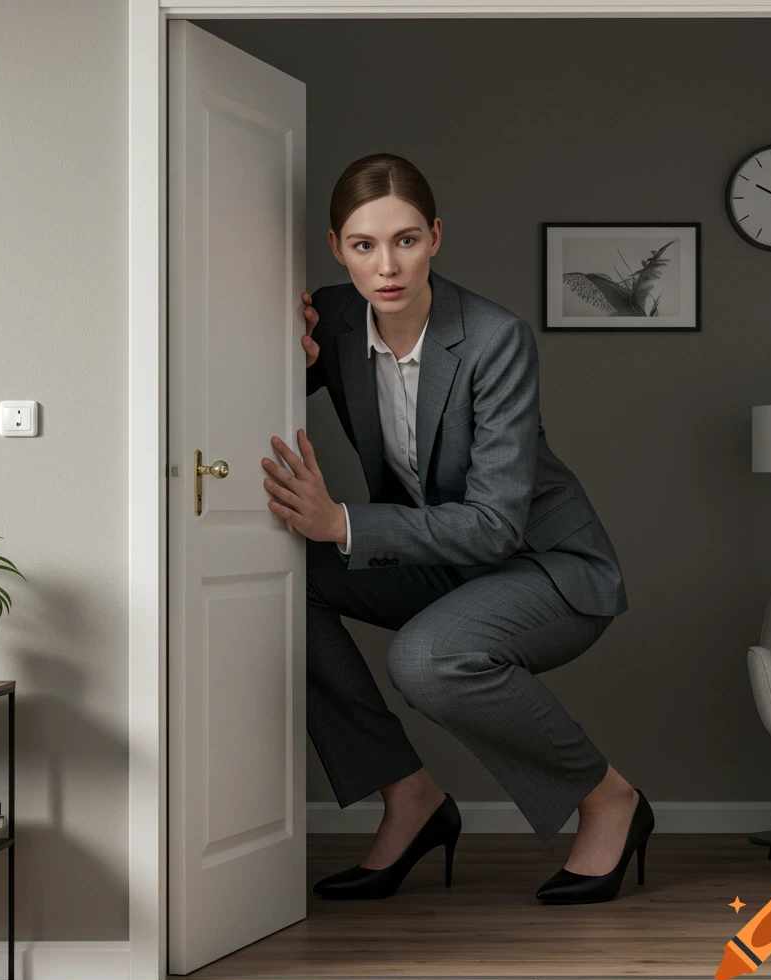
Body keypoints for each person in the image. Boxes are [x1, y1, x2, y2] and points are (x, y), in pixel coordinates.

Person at [260, 152, 653, 904]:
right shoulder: (339, 320)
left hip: (547, 567)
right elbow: (267, 377)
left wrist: (340, 520)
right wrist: (283, 355)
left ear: (436, 237)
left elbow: (496, 524)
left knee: (426, 658)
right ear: (338, 249)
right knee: (281, 583)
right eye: (365, 246)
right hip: (437, 561)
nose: (387, 266)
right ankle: (408, 796)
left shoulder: (493, 339)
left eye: (406, 240)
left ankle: (607, 797)